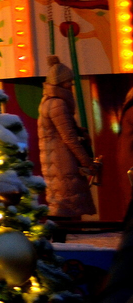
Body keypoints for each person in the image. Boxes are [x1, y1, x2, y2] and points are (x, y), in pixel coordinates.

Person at [39, 56, 98, 217]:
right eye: (69, 82)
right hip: (63, 163)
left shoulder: (48, 101)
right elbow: (69, 138)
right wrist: (87, 162)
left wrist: (78, 129)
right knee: (68, 207)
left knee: (62, 204)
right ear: (59, 82)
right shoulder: (58, 104)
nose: (71, 85)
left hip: (56, 162)